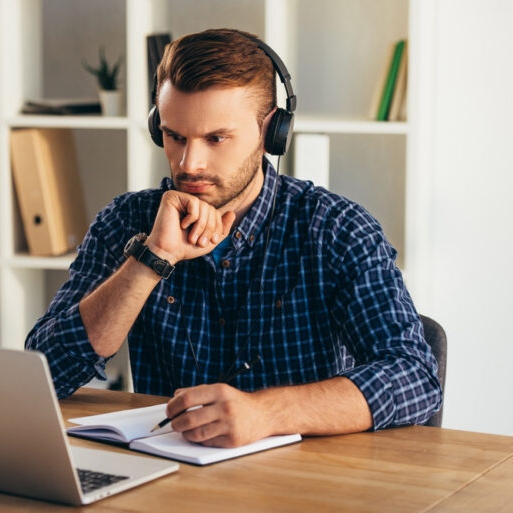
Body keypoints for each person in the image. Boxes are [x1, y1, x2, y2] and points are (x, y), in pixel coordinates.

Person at [26, 28, 442, 448]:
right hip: (166, 481)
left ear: (271, 133)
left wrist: (266, 413)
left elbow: (415, 379)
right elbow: (43, 374)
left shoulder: (336, 229)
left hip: (304, 485)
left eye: (216, 138)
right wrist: (152, 259)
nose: (189, 163)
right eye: (174, 136)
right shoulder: (126, 221)